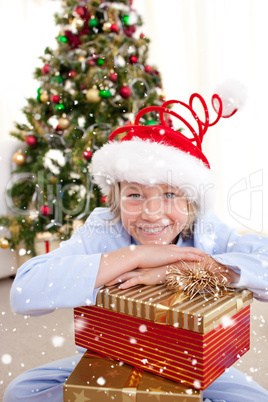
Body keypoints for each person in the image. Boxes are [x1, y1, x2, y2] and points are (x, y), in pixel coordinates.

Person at [4, 94, 268, 402]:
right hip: (109, 358)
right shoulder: (102, 229)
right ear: (116, 199)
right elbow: (23, 292)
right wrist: (137, 256)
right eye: (134, 195)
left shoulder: (207, 231)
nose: (152, 212)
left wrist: (183, 267)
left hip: (193, 366)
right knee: (22, 392)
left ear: (191, 202)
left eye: (170, 194)